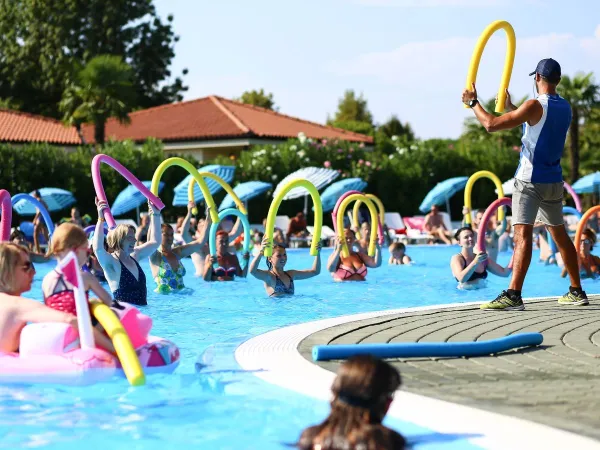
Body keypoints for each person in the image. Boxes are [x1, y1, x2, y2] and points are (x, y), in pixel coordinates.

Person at [462, 58, 588, 308]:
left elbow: (490, 124)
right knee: (560, 235)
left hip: (529, 181)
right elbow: (539, 123)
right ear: (559, 80)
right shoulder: (565, 107)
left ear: (537, 78)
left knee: (522, 236)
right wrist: (512, 107)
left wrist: (473, 102)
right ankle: (576, 291)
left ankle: (514, 295)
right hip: (553, 181)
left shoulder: (533, 105)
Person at [296, 354, 405, 450]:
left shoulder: (310, 438)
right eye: (390, 394)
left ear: (334, 395)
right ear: (385, 403)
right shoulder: (385, 441)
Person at [42, 223, 115, 353]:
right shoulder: (85, 277)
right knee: (116, 312)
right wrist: (98, 324)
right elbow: (110, 303)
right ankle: (116, 350)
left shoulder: (46, 280)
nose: (88, 256)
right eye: (87, 251)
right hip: (79, 339)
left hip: (55, 341)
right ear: (75, 250)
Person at [0, 242, 78, 353]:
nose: (33, 272)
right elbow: (69, 320)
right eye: (26, 266)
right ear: (8, 270)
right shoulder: (17, 305)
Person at [93, 198, 160, 306]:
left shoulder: (135, 255)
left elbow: (155, 242)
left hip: (143, 314)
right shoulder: (112, 263)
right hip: (125, 317)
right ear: (119, 239)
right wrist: (100, 219)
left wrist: (156, 215)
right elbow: (98, 249)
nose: (134, 240)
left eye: (134, 237)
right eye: (130, 238)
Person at [249, 237, 321, 297]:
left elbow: (315, 271)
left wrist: (318, 253)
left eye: (284, 255)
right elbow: (252, 271)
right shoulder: (269, 276)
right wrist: (261, 252)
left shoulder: (291, 274)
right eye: (279, 256)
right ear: (270, 259)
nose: (283, 258)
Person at [149, 223, 207, 293]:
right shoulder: (156, 257)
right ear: (158, 236)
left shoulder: (177, 253)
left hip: (182, 298)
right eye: (166, 234)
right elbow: (150, 242)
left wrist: (208, 219)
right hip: (164, 301)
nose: (170, 238)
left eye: (171, 235)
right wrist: (155, 215)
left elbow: (200, 242)